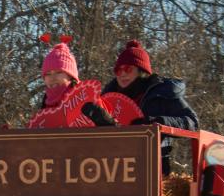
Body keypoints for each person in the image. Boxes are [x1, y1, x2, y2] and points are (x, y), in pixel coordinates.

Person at [100, 40, 199, 169]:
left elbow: (192, 122)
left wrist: (157, 122)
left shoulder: (162, 93)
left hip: (153, 168)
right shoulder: (107, 97)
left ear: (141, 70)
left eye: (128, 69)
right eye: (118, 70)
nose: (122, 74)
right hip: (113, 167)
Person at [27, 36, 105, 129]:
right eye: (48, 74)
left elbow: (113, 134)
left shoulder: (87, 98)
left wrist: (103, 121)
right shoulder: (44, 109)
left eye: (59, 72)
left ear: (70, 76)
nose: (52, 78)